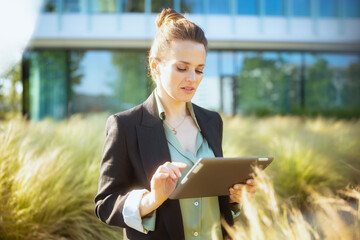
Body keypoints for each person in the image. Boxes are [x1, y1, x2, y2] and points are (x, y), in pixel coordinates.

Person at [94, 8, 257, 240]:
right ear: (155, 66)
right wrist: (152, 199)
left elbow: (214, 200)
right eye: (182, 68)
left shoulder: (212, 121)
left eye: (199, 70)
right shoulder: (125, 125)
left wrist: (234, 197)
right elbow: (105, 204)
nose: (192, 78)